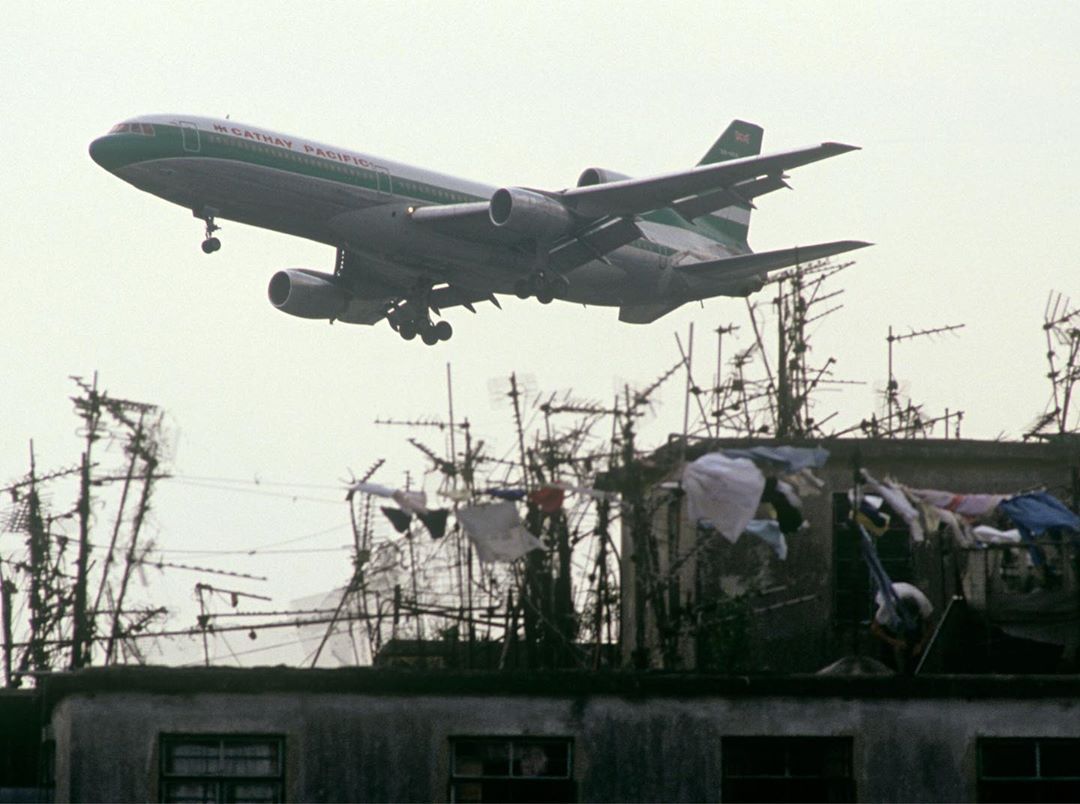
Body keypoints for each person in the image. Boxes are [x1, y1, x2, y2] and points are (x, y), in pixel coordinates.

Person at [869, 582, 933, 674]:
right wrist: (893, 642)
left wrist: (920, 644)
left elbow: (930, 627)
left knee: (914, 646)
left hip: (906, 593)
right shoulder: (887, 606)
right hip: (888, 598)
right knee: (886, 650)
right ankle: (889, 675)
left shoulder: (924, 605)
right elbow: (874, 628)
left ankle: (912, 674)